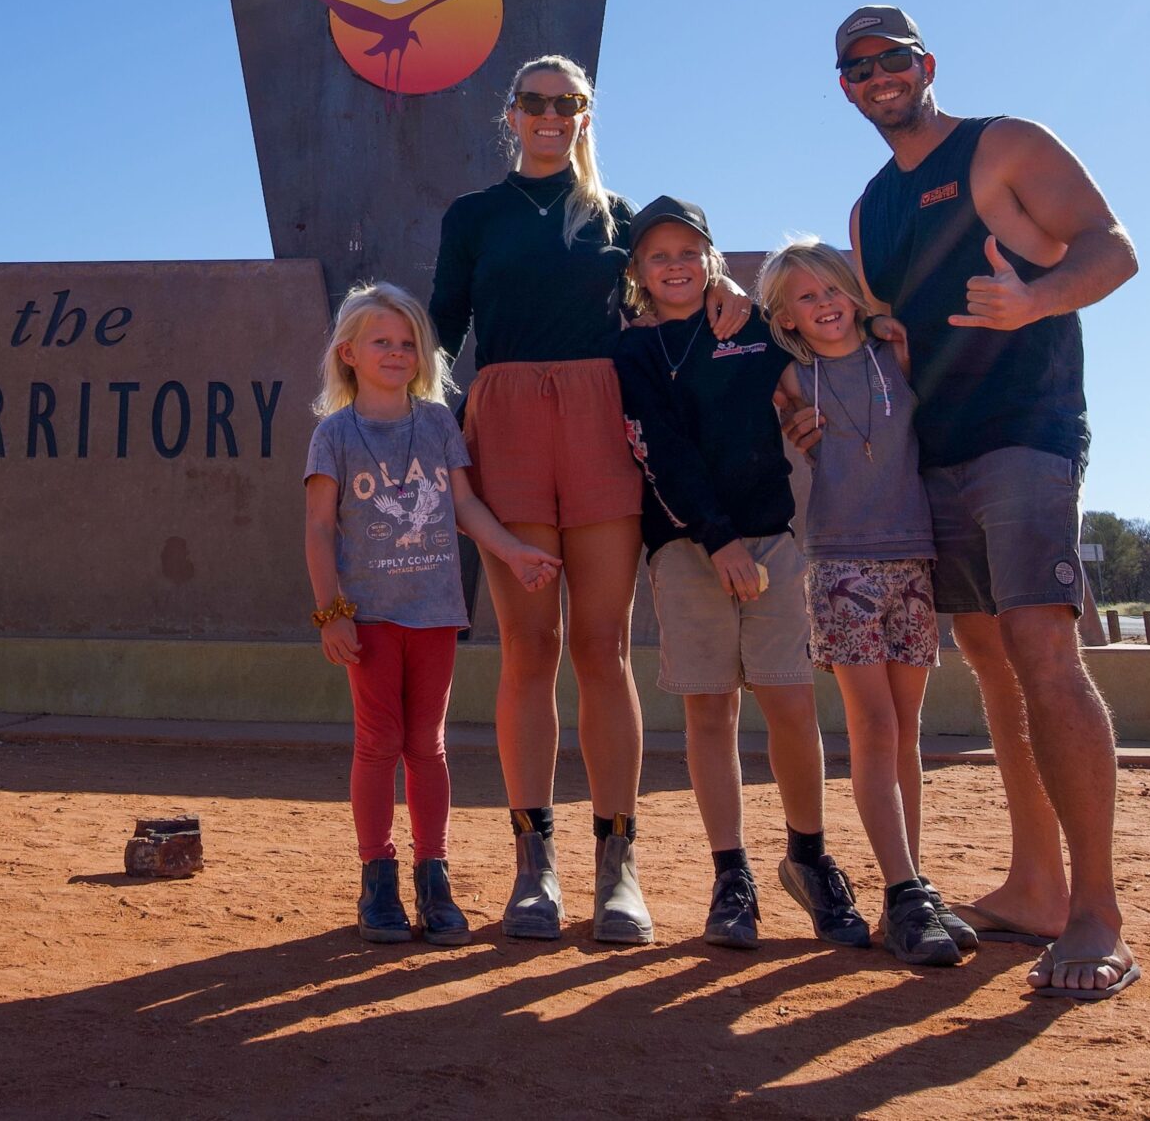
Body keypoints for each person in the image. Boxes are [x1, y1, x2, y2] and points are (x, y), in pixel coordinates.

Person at [812, 3, 1142, 1001]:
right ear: (844, 86)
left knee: (1044, 651)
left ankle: (1096, 915)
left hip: (1025, 435)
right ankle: (1035, 887)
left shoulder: (1005, 145)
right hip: (937, 451)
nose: (880, 76)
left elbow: (1113, 247)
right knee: (993, 664)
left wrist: (1036, 298)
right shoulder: (872, 209)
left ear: (927, 63)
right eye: (859, 66)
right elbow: (885, 342)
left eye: (895, 58)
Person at [428, 54, 750, 944]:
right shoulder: (474, 216)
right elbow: (442, 328)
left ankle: (621, 870)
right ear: (510, 112)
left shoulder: (616, 216)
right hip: (507, 420)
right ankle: (535, 870)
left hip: (604, 418)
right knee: (531, 648)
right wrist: (414, 418)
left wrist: (720, 285)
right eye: (533, 102)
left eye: (567, 104)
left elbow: (678, 271)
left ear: (585, 115)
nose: (549, 116)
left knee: (603, 648)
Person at [613, 199, 869, 952]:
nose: (676, 266)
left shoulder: (748, 325)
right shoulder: (633, 353)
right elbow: (659, 450)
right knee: (711, 712)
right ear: (637, 272)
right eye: (658, 256)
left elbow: (814, 367)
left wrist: (802, 412)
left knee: (791, 703)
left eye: (689, 251)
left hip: (773, 541)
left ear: (711, 257)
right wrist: (716, 540)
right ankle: (732, 877)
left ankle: (810, 858)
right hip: (687, 547)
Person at [304, 281, 563, 945]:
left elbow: (465, 507)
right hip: (368, 618)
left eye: (407, 342)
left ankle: (432, 874)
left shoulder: (438, 423)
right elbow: (318, 529)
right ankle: (377, 877)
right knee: (376, 742)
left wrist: (511, 551)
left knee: (428, 745)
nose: (396, 352)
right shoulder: (334, 435)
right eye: (380, 342)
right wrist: (332, 612)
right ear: (349, 354)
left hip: (434, 613)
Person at [760, 238, 975, 968]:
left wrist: (884, 319)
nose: (824, 306)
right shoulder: (790, 379)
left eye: (833, 290)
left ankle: (906, 888)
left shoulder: (899, 356)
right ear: (786, 315)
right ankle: (906, 885)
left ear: (854, 293)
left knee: (905, 731)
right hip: (841, 564)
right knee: (873, 724)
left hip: (913, 556)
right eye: (806, 298)